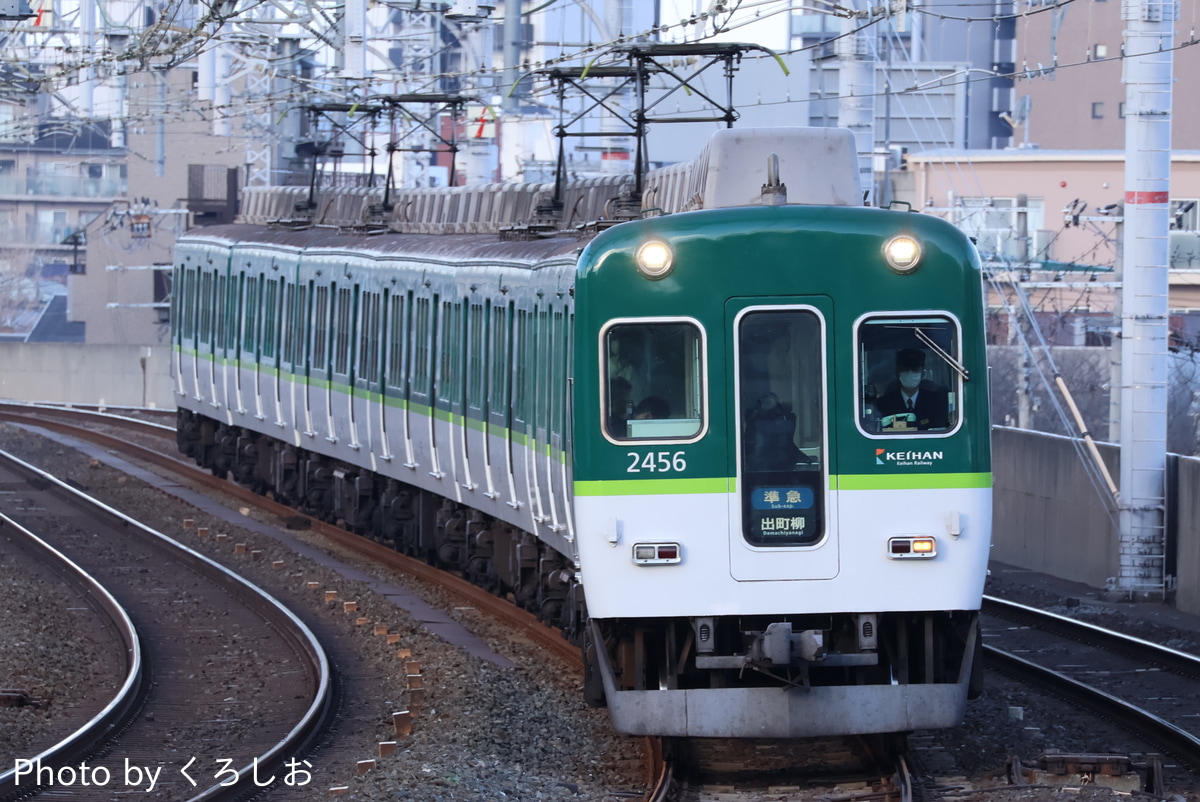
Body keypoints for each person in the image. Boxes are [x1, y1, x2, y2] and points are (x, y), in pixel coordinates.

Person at [875, 349, 949, 431]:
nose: (910, 374)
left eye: (915, 370)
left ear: (922, 374)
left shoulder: (935, 401)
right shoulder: (884, 403)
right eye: (905, 370)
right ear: (897, 373)